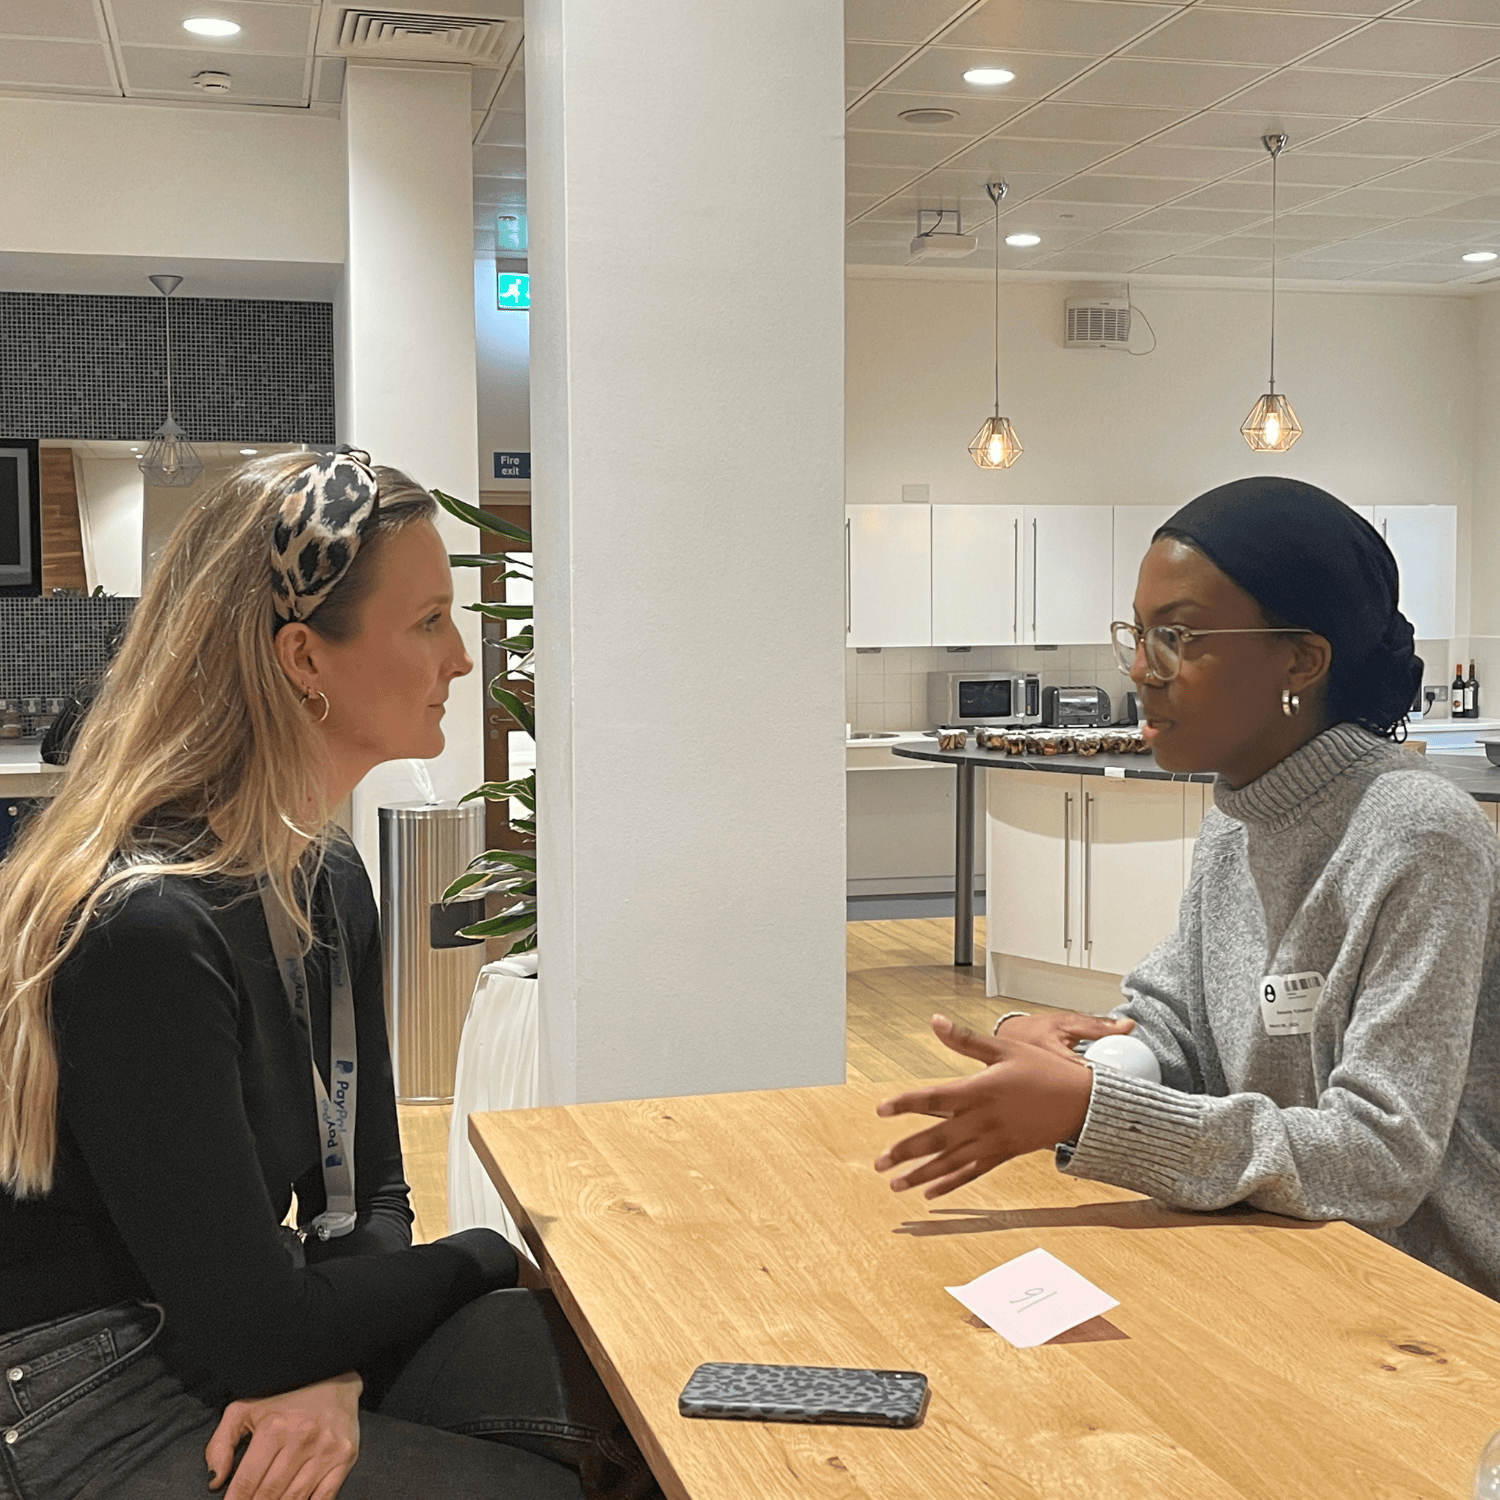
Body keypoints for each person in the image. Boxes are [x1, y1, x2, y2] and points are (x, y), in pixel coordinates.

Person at [0, 449, 652, 1499]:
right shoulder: (146, 925)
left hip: (230, 1316)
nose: (461, 661)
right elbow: (262, 1330)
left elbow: (365, 1194)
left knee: (618, 1394)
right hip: (74, 1390)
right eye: (428, 622)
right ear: (303, 657)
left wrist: (328, 1359)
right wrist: (496, 1252)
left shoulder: (327, 877)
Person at [875, 475, 1500, 1301]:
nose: (1143, 669)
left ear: (1302, 660)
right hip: (1277, 1260)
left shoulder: (1419, 833)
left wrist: (1091, 1110)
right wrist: (1092, 1055)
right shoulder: (1238, 819)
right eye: (1138, 635)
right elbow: (1179, 1023)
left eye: (1177, 636)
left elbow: (1378, 1160)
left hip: (1428, 1303)